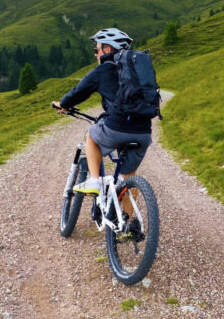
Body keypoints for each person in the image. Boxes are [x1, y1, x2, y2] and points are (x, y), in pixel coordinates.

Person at [52, 28, 152, 196]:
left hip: (117, 127)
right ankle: (127, 220)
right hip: (143, 131)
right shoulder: (136, 71)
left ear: (107, 49)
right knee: (128, 180)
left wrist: (63, 104)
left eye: (96, 50)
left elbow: (78, 92)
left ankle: (95, 181)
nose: (95, 54)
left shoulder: (103, 70)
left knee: (91, 135)